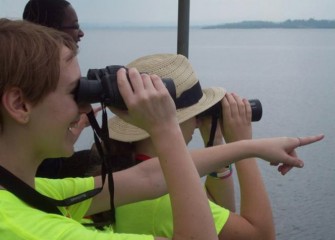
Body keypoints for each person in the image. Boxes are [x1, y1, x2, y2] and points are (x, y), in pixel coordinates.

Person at [0, 18, 324, 240]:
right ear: (20, 105)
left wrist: (249, 146)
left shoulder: (28, 192)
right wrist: (166, 128)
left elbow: (150, 177)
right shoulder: (31, 230)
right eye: (76, 91)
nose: (85, 108)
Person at [22, 0, 99, 178]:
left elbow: (46, 145)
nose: (81, 33)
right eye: (75, 26)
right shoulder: (40, 81)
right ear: (52, 30)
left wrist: (79, 124)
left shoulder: (28, 74)